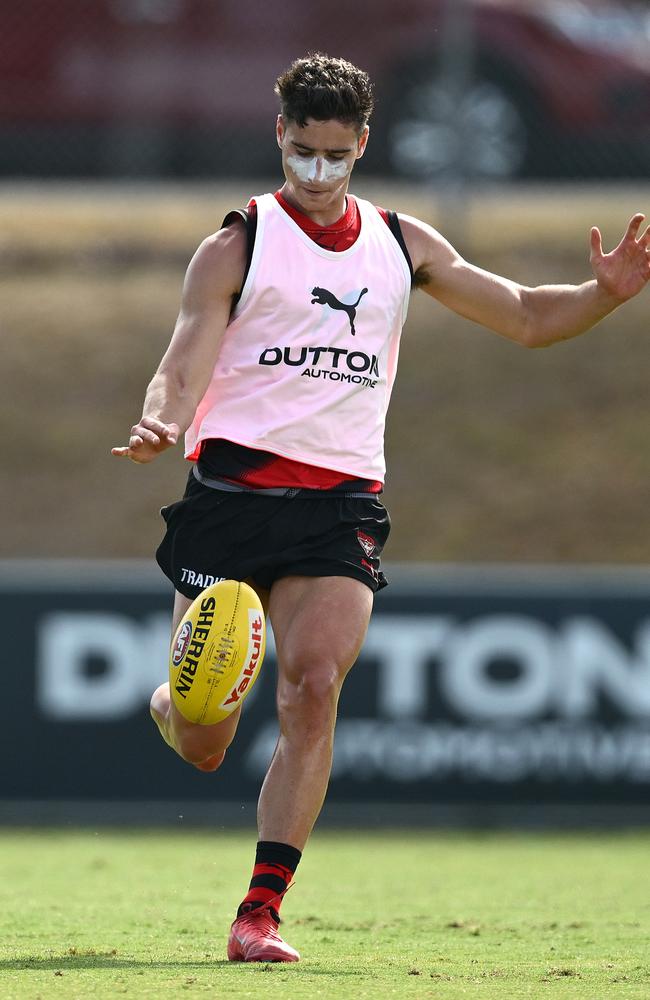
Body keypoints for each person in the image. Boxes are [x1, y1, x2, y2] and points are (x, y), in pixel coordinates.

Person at [112, 52, 649, 963]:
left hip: (340, 509)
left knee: (313, 689)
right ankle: (171, 699)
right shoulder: (238, 243)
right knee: (204, 742)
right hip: (230, 504)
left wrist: (602, 295)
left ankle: (259, 914)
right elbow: (184, 356)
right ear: (279, 136)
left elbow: (522, 313)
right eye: (300, 153)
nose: (316, 175)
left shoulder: (404, 245)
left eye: (334, 155)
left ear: (362, 144)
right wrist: (161, 419)